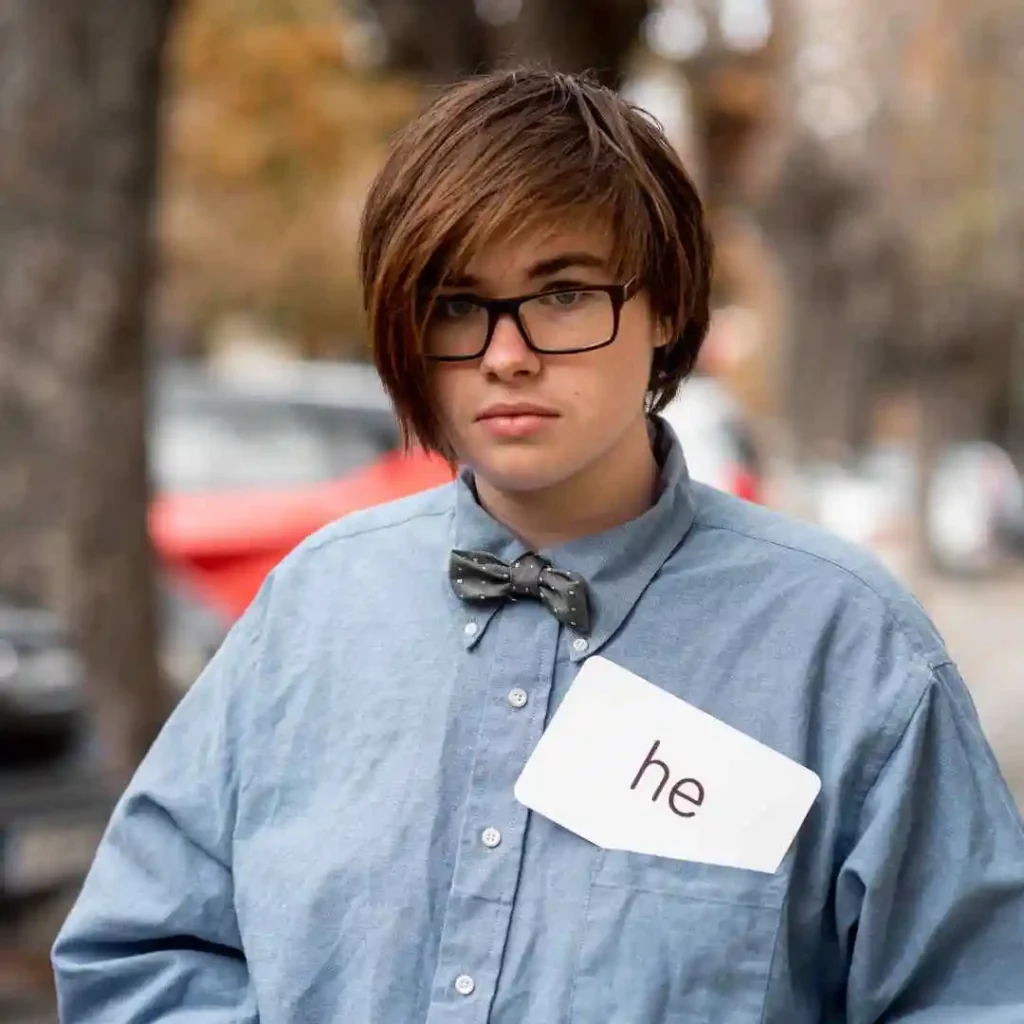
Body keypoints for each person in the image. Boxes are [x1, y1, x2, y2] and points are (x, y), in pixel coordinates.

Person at [53, 68, 1024, 1024]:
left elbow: (974, 993)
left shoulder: (845, 645)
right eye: (457, 304)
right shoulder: (312, 608)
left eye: (561, 293)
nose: (504, 352)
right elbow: (142, 949)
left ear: (666, 308)